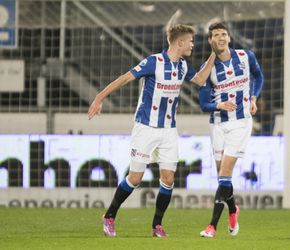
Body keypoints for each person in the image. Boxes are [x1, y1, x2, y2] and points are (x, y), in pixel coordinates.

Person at [88, 24, 217, 238]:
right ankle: (109, 216)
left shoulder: (183, 66)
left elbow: (201, 80)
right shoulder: (153, 62)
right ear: (180, 42)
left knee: (168, 178)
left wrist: (213, 53)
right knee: (135, 178)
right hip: (145, 128)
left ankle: (157, 225)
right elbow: (125, 78)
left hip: (168, 130)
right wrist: (99, 98)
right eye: (191, 41)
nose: (193, 45)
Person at [198, 22, 264, 238]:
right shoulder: (207, 69)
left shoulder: (246, 56)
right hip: (217, 124)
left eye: (224, 34)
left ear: (229, 37)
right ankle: (233, 210)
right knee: (222, 179)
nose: (221, 38)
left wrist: (253, 97)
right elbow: (203, 104)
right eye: (216, 35)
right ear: (210, 41)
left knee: (225, 175)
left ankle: (212, 226)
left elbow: (259, 76)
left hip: (241, 123)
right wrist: (219, 105)